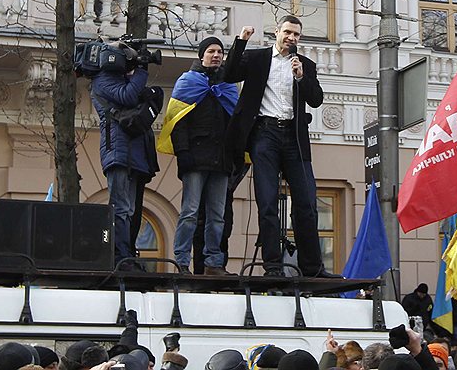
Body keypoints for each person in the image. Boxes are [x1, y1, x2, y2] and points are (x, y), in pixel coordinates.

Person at [224, 18, 336, 278]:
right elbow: (228, 74)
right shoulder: (258, 58)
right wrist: (241, 41)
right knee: (267, 203)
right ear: (277, 32)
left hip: (294, 138)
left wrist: (301, 77)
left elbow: (316, 99)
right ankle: (273, 268)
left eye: (296, 34)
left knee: (307, 204)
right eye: (287, 32)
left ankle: (313, 268)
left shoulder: (305, 65)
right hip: (265, 134)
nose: (291, 38)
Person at [163, 36, 238, 276]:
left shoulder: (228, 86)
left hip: (221, 160)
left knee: (217, 216)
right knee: (190, 213)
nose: (216, 55)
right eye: (211, 51)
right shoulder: (187, 82)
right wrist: (183, 153)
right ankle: (182, 261)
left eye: (220, 52)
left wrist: (235, 156)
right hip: (195, 159)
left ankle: (213, 263)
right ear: (201, 55)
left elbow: (235, 122)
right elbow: (177, 122)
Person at [92, 50, 159, 269]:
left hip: (134, 154)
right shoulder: (103, 80)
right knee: (120, 207)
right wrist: (142, 70)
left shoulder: (122, 81)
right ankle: (120, 257)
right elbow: (128, 96)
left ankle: (127, 253)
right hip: (118, 152)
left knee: (130, 209)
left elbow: (145, 97)